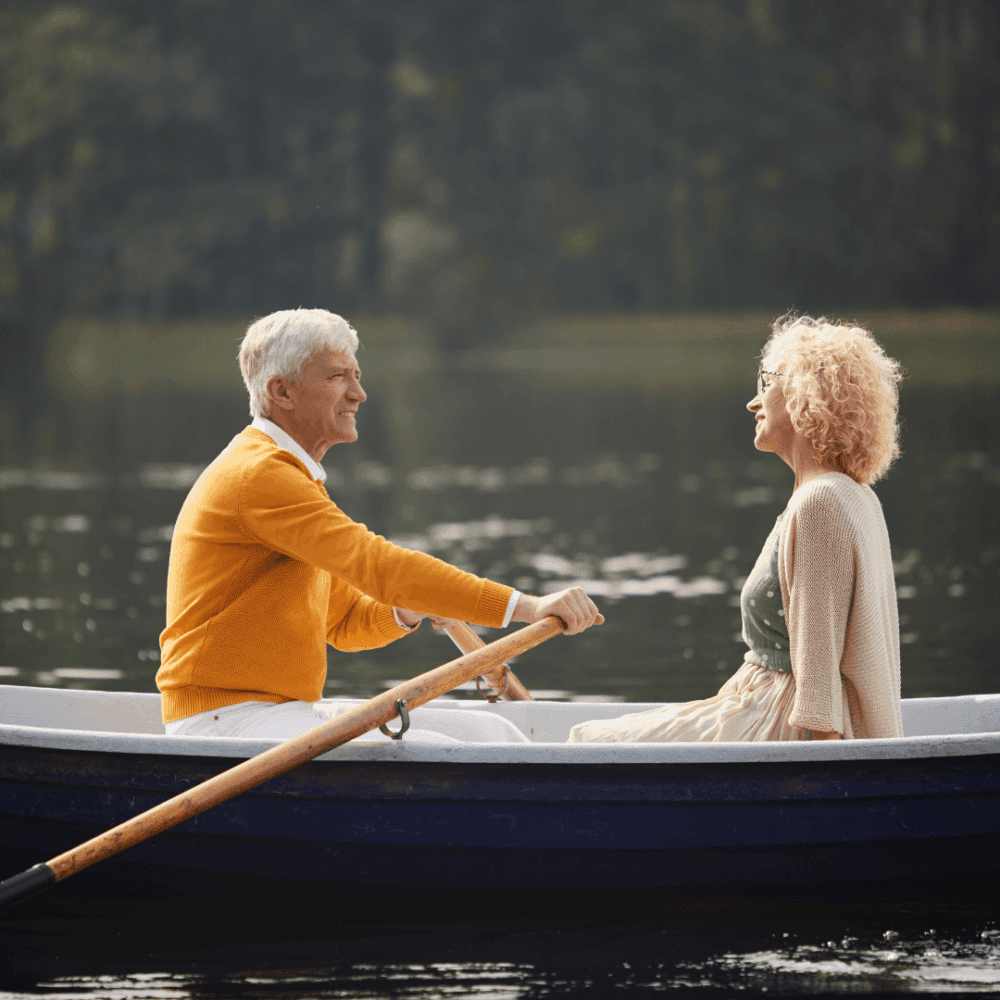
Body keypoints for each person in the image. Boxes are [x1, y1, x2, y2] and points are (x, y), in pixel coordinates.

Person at [156, 308, 603, 743]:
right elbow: (382, 567)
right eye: (337, 377)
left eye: (357, 376)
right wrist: (529, 606)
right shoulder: (260, 475)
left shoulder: (291, 475)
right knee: (455, 748)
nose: (358, 394)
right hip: (223, 721)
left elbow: (345, 621)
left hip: (278, 713)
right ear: (282, 392)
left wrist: (407, 609)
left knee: (490, 731)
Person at [569, 314, 905, 743]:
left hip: (780, 720)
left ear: (808, 391)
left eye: (766, 381)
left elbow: (819, 691)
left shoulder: (821, 504)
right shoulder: (857, 497)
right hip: (760, 703)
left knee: (587, 740)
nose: (753, 402)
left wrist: (821, 790)